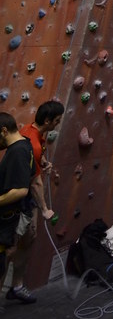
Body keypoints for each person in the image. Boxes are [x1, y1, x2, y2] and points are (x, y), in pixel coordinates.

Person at [7, 100, 64, 305]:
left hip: (23, 199)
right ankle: (11, 287)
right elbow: (35, 183)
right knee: (11, 247)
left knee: (27, 240)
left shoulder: (31, 132)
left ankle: (16, 286)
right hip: (21, 200)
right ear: (47, 120)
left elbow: (34, 163)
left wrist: (42, 163)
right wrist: (46, 209)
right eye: (56, 121)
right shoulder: (33, 143)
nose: (57, 124)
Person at [0, 113, 35, 302]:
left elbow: (21, 190)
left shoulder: (17, 151)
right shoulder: (24, 144)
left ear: (4, 130)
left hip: (7, 219)